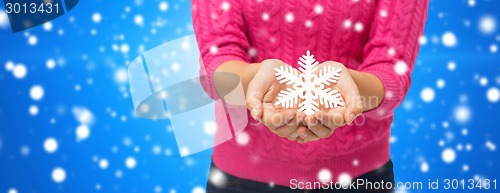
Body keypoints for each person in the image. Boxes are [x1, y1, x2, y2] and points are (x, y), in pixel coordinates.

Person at [192, 0, 429, 192]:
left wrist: (351, 89)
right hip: (239, 178)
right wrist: (254, 81)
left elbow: (391, 67)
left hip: (360, 178)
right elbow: (218, 59)